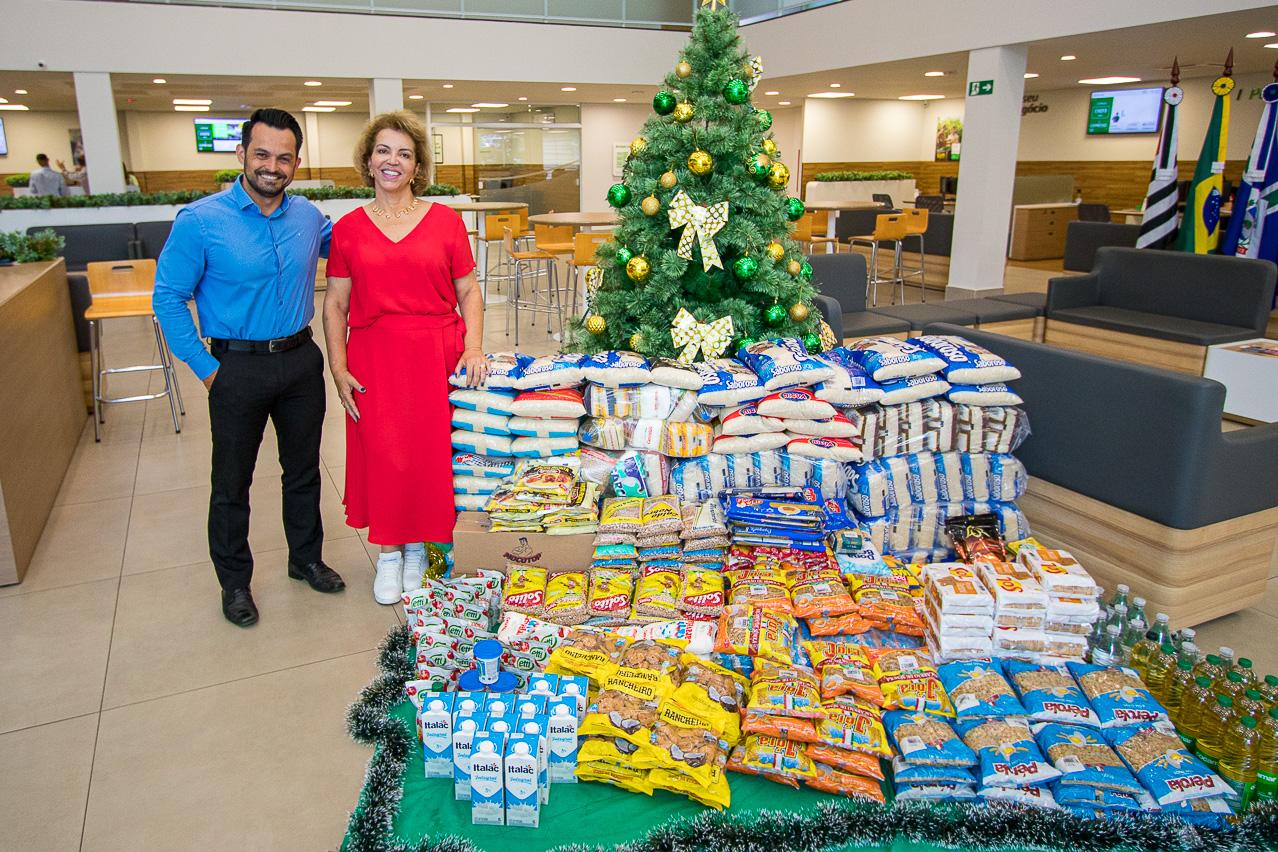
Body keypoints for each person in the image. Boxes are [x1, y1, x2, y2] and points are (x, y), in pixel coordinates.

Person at [153, 108, 344, 627]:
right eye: (262, 154)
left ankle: (305, 558)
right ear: (241, 155)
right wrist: (206, 368)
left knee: (303, 473)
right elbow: (168, 298)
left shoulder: (307, 217)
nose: (272, 166)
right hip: (234, 367)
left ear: (297, 163)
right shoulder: (201, 221)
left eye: (284, 158)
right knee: (231, 483)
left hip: (301, 362)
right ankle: (234, 583)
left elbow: (354, 253)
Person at [322, 111, 486, 604]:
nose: (393, 161)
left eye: (404, 154)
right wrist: (338, 366)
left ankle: (420, 549)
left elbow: (469, 291)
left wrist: (474, 346)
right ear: (369, 162)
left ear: (417, 167)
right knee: (387, 454)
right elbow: (334, 303)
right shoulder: (348, 230)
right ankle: (391, 553)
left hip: (437, 352)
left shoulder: (446, 221)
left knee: (432, 455)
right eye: (383, 152)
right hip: (375, 356)